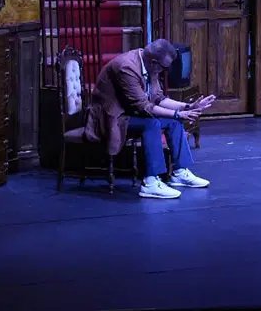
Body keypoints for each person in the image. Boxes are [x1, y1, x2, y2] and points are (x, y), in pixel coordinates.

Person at [86, 39, 216, 198]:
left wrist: (187, 107)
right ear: (154, 62)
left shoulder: (149, 65)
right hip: (112, 117)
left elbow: (158, 98)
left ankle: (179, 172)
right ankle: (151, 182)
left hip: (131, 112)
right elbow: (144, 106)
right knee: (151, 124)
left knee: (173, 122)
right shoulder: (127, 67)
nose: (165, 72)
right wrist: (177, 113)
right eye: (164, 68)